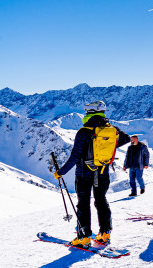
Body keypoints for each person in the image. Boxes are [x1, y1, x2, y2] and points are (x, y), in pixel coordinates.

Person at [54, 101, 130, 247]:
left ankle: (84, 237)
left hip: (84, 173)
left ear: (90, 113)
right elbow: (126, 138)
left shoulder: (84, 131)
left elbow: (75, 156)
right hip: (103, 170)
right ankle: (105, 233)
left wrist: (60, 172)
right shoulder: (112, 129)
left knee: (83, 203)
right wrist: (107, 146)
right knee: (101, 200)